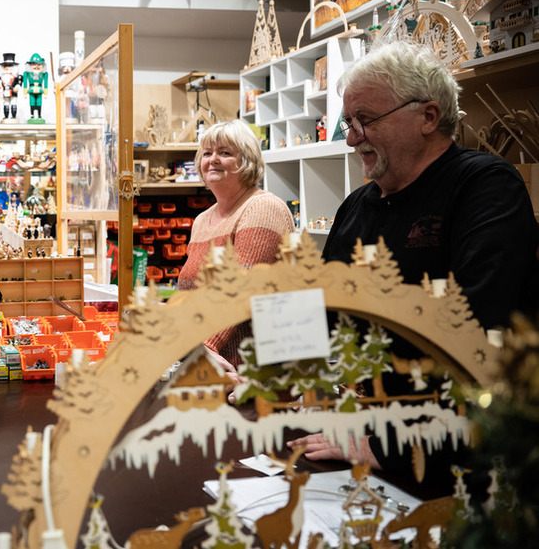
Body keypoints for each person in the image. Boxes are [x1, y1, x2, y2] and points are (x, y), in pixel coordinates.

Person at [293, 40, 539, 473]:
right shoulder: (355, 206)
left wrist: (381, 446)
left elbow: (474, 332)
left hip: (456, 456)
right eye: (348, 122)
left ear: (428, 116)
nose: (351, 138)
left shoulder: (484, 187)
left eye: (364, 120)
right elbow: (323, 312)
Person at [178, 119, 295, 368]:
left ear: (248, 161)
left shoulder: (263, 208)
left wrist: (204, 346)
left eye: (225, 153)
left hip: (254, 374)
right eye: (207, 153)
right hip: (209, 368)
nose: (213, 159)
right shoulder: (201, 221)